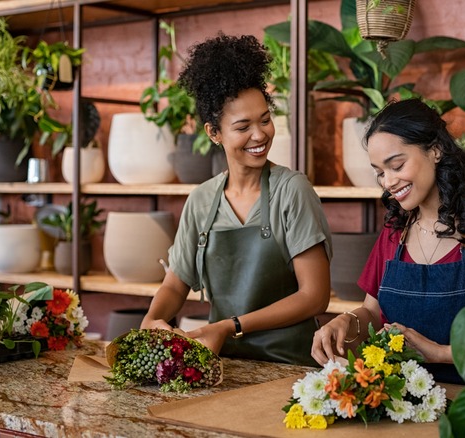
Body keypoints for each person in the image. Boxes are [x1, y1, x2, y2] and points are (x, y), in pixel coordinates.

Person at [141, 34, 332, 367]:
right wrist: (152, 321)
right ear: (214, 133)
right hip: (225, 365)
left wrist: (230, 327)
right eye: (243, 126)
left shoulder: (292, 190)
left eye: (265, 120)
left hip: (289, 366)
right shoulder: (201, 201)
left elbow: (314, 297)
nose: (259, 135)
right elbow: (175, 284)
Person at [311, 98, 465, 384]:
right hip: (398, 401)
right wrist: (347, 321)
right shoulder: (395, 233)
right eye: (380, 172)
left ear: (435, 150)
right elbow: (372, 310)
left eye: (397, 165)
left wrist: (440, 352)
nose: (388, 182)